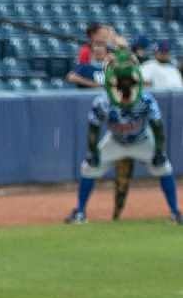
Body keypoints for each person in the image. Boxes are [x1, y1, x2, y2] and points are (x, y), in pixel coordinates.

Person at [65, 51, 181, 225]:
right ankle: (80, 212)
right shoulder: (103, 101)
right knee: (88, 167)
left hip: (141, 140)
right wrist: (93, 151)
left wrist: (159, 151)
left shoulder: (145, 100)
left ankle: (175, 212)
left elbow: (158, 127)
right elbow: (93, 128)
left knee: (164, 167)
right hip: (115, 140)